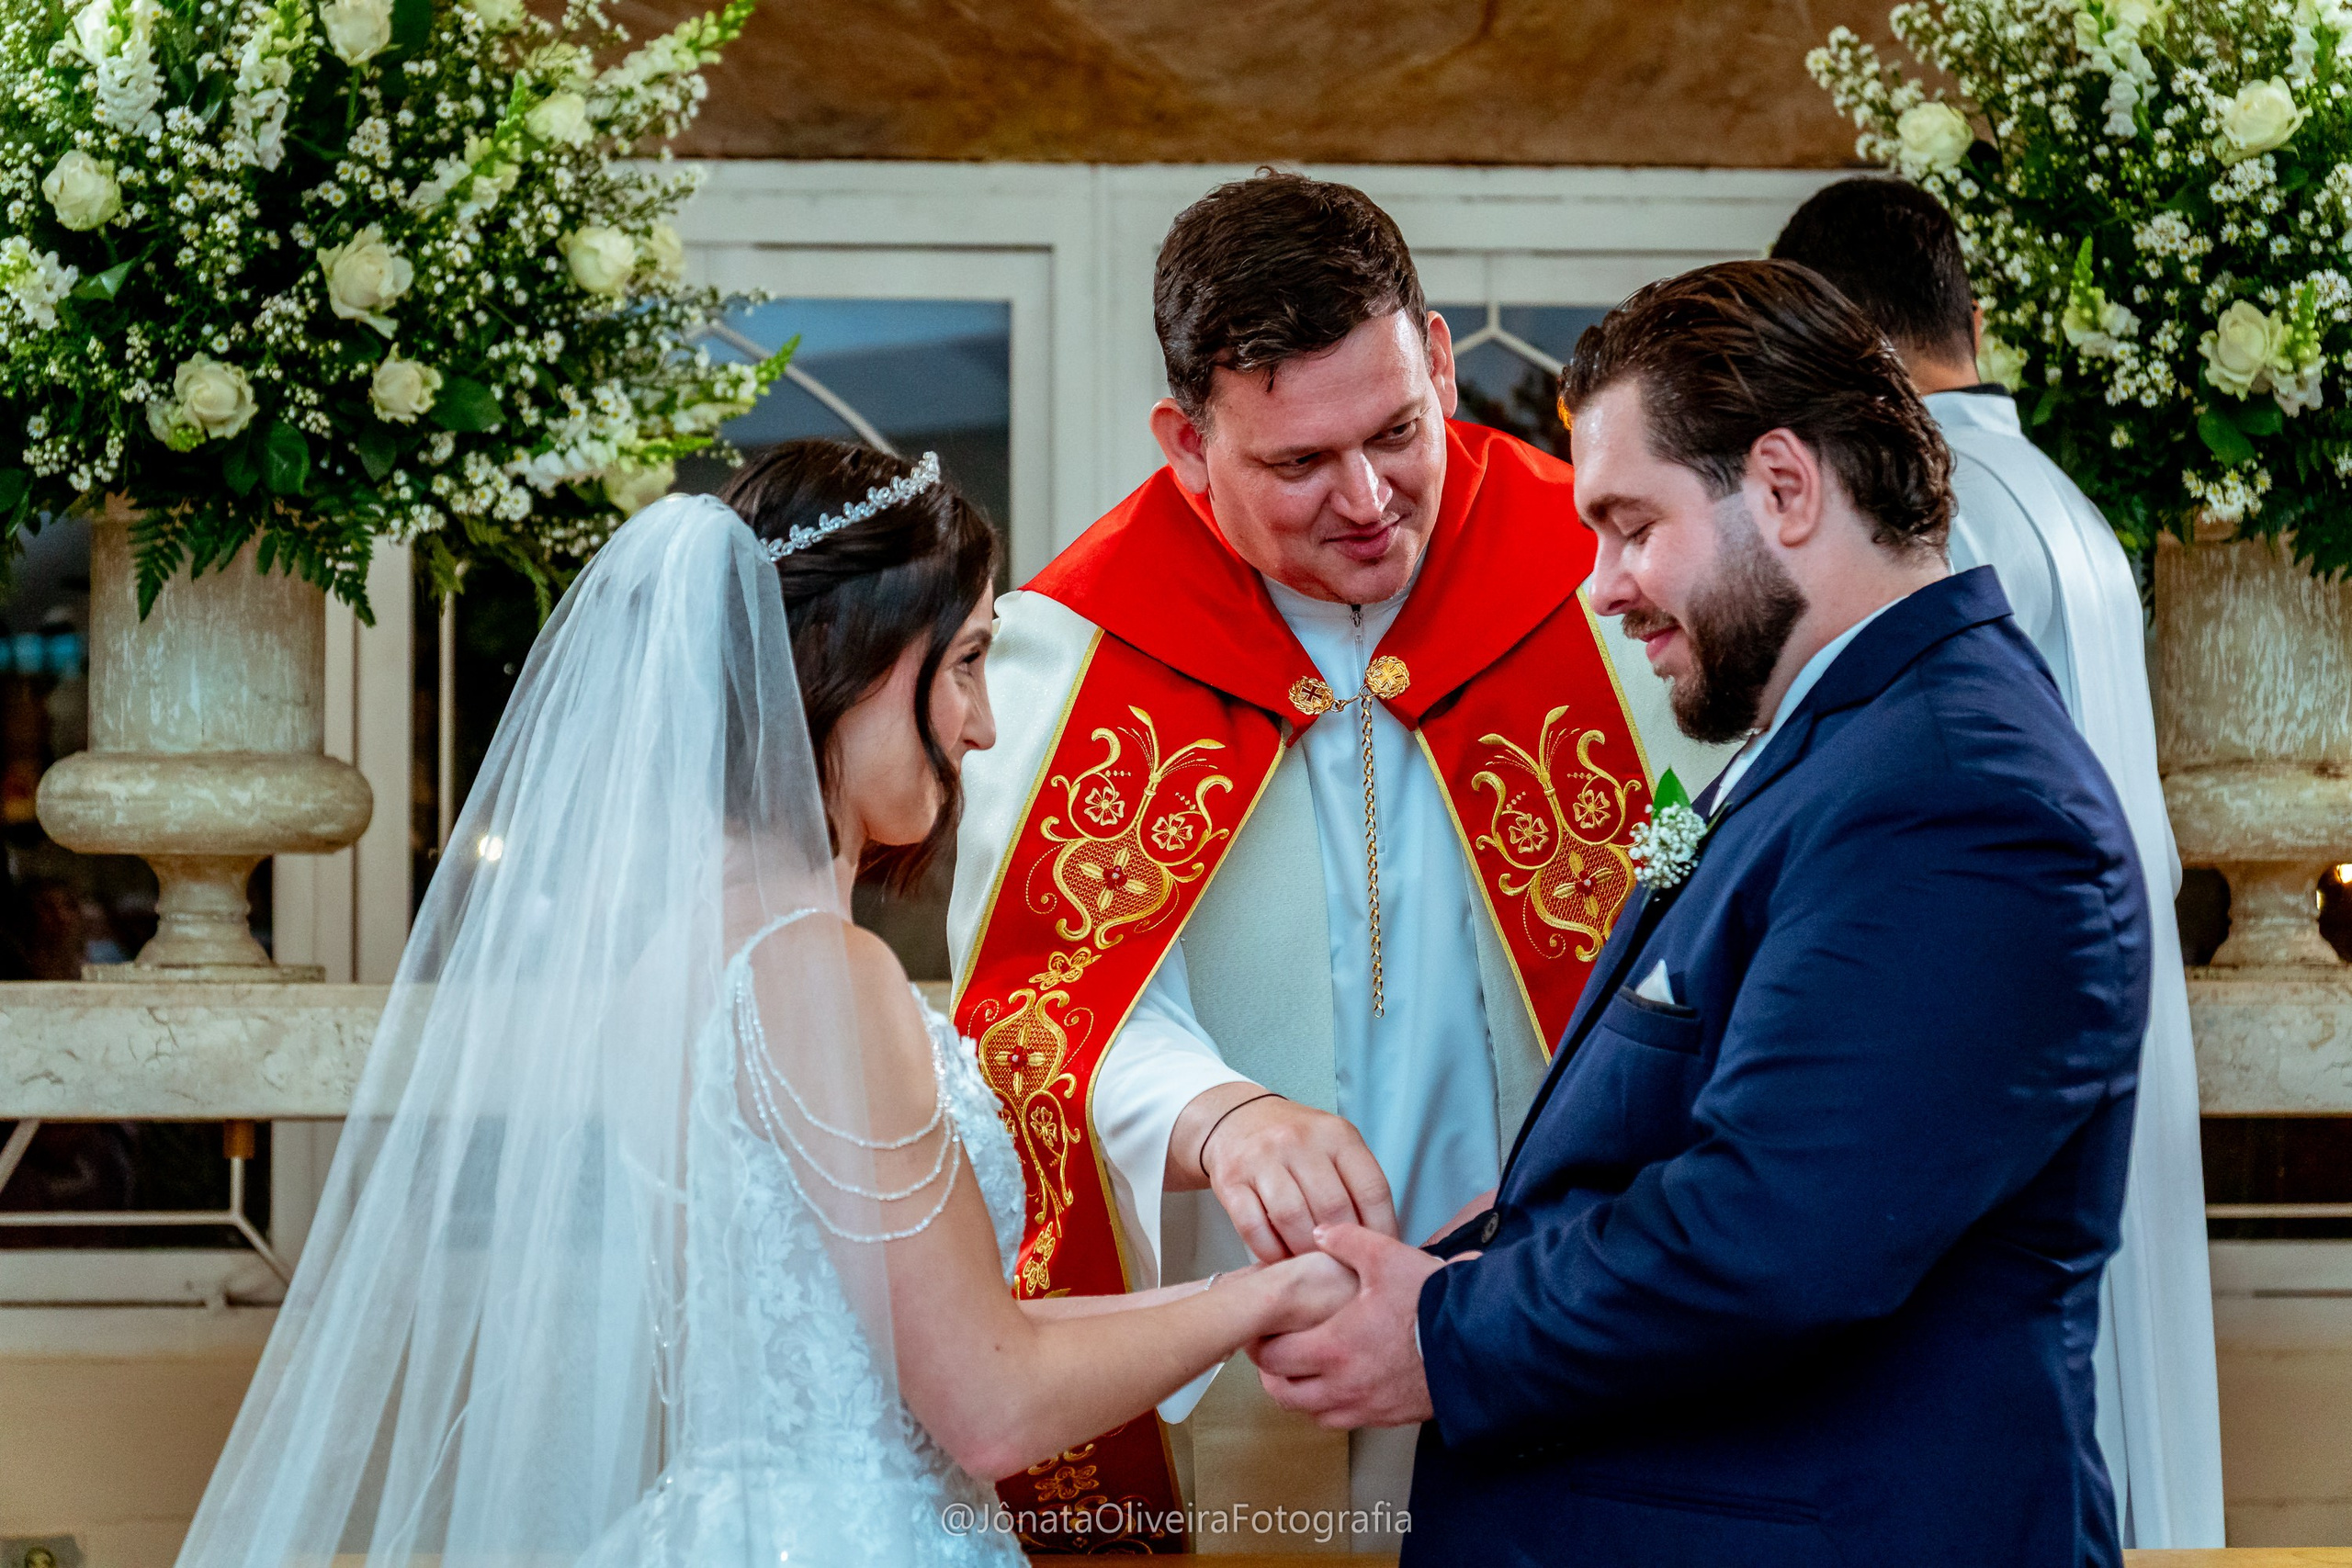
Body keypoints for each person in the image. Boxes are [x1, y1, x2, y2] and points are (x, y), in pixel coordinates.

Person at [173, 440, 1357, 1568]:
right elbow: (991, 1406)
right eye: (963, 662)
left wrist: (1240, 1292)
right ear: (846, 661)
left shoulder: (671, 960)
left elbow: (933, 1338)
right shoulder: (816, 974)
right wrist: (1266, 1295)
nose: (985, 725)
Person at [1250, 261, 2154, 1568]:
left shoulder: (1960, 796)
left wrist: (1442, 1333)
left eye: (1631, 524)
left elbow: (1775, 1235)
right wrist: (1432, 1275)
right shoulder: (1856, 747)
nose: (1603, 584)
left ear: (1784, 486)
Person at [947, 172, 1723, 1551]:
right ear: (1186, 444)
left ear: (1435, 355)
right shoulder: (1079, 648)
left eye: (1396, 432)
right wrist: (1217, 1114)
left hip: (1550, 1320)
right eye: (1297, 464)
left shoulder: (1611, 584)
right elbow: (1039, 1000)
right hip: (1254, 1354)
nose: (1367, 500)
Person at [1771, 175, 2223, 1550]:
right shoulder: (2064, 504)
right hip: (2102, 1007)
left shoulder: (1917, 515)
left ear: (1817, 337)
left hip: (1990, 1038)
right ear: (1968, 320)